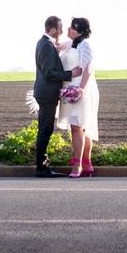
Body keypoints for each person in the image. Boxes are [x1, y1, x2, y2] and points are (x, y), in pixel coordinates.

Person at [33, 16, 82, 178]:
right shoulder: (46, 45)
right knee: (45, 129)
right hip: (47, 93)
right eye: (60, 29)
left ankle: (43, 166)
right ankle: (42, 168)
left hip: (45, 93)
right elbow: (49, 73)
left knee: (45, 128)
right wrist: (70, 74)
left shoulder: (45, 44)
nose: (62, 32)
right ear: (53, 30)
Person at [57, 17, 100, 178]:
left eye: (72, 28)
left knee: (77, 126)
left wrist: (80, 89)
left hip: (80, 89)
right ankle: (87, 162)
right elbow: (57, 46)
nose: (68, 29)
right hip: (68, 88)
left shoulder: (85, 45)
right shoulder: (69, 44)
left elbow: (88, 69)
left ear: (80, 31)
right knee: (80, 127)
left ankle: (78, 164)